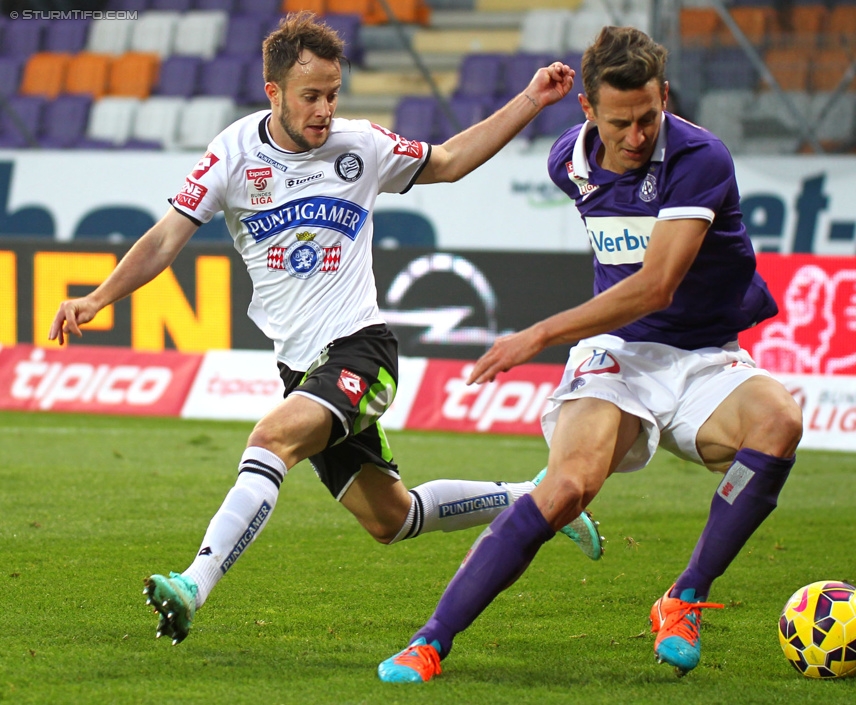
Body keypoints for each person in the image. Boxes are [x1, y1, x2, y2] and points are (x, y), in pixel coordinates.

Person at [47, 12, 604, 646]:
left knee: (271, 437)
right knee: (392, 518)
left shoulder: (360, 145)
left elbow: (448, 161)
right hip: (301, 367)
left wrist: (532, 98)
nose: (324, 110)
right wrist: (99, 297)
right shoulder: (233, 153)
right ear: (274, 93)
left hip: (362, 348)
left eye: (333, 94)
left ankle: (191, 586)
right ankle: (535, 496)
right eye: (310, 96)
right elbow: (165, 239)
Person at [378, 25, 803, 683]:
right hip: (617, 356)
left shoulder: (700, 159)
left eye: (647, 117)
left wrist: (539, 334)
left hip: (703, 357)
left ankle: (684, 597)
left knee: (780, 421)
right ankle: (430, 640)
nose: (635, 136)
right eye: (618, 123)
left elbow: (657, 284)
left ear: (665, 95)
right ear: (588, 111)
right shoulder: (566, 162)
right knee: (568, 486)